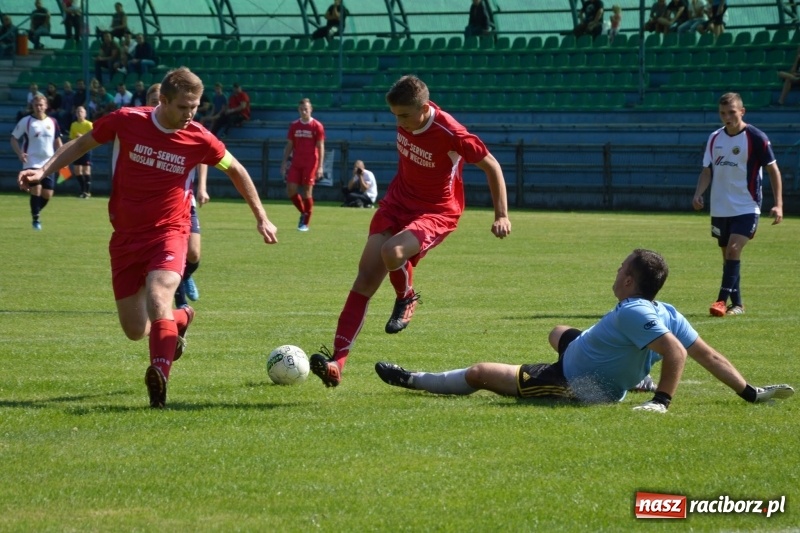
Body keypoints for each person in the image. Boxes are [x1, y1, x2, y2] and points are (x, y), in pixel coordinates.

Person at [18, 67, 279, 408]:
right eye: (184, 107)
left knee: (159, 296)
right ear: (164, 101)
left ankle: (159, 379)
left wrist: (261, 217)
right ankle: (182, 318)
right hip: (125, 237)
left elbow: (236, 170)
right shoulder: (127, 120)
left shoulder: (199, 137)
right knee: (134, 329)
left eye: (196, 107)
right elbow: (81, 144)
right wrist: (44, 170)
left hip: (170, 231)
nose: (191, 114)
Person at [375, 249, 795, 411]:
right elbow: (712, 356)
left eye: (620, 269)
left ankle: (411, 379)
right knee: (558, 331)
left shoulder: (636, 314)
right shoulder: (665, 309)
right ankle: (638, 376)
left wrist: (663, 403)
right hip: (581, 350)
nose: (615, 271)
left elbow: (681, 354)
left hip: (576, 381)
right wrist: (750, 392)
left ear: (630, 282)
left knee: (480, 373)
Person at [308, 75, 512, 388]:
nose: (399, 123)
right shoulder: (407, 118)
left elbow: (492, 166)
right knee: (364, 278)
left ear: (424, 107)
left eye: (404, 116)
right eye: (395, 117)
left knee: (392, 252)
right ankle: (338, 361)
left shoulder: (451, 132)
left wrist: (501, 215)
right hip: (396, 204)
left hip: (436, 212)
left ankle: (406, 297)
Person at [692, 92, 783, 317]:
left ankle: (721, 301)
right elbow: (707, 170)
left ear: (742, 112)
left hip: (747, 205)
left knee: (733, 250)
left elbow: (773, 170)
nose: (727, 117)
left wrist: (779, 204)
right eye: (723, 113)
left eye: (732, 112)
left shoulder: (756, 137)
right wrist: (698, 194)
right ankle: (738, 305)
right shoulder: (715, 138)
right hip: (720, 207)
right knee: (728, 257)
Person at [147, 82, 204, 307]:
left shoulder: (189, 129)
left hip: (184, 201)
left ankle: (186, 277)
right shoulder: (142, 130)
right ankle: (180, 304)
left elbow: (207, 156)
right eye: (151, 102)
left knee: (193, 254)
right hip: (153, 206)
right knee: (170, 255)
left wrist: (202, 187)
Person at [10, 94, 63, 230]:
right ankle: (36, 219)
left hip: (48, 163)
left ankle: (35, 211)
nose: (39, 107)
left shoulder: (52, 122)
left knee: (48, 194)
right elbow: (13, 138)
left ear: (46, 106)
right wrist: (20, 153)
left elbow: (58, 142)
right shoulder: (26, 121)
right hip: (31, 162)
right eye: (36, 105)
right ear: (32, 106)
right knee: (36, 188)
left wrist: (63, 157)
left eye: (41, 105)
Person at [280, 98, 325, 232]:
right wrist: (284, 161)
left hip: (310, 163)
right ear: (298, 110)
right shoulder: (294, 126)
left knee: (307, 192)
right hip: (296, 162)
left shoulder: (317, 126)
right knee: (291, 190)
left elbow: (321, 146)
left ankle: (305, 222)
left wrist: (320, 166)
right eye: (301, 109)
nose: (304, 111)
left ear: (311, 109)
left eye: (306, 109)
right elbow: (290, 144)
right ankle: (303, 212)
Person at [68, 105, 93, 198]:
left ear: (85, 114)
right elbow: (71, 138)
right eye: (78, 112)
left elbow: (92, 137)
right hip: (77, 149)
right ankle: (83, 190)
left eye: (81, 112)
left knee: (86, 171)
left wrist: (82, 136)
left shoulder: (89, 124)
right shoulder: (73, 125)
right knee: (77, 171)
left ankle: (87, 191)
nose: (79, 113)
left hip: (86, 149)